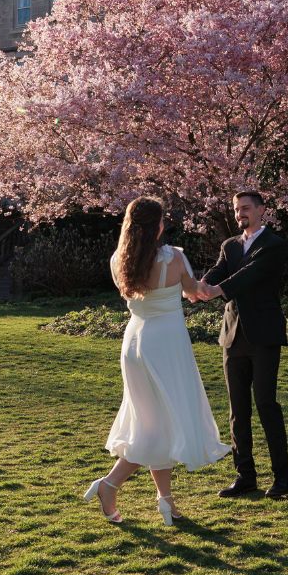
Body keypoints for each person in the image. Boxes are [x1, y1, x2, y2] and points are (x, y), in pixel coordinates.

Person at [83, 196, 231, 526]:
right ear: (159, 225)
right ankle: (109, 484)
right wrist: (219, 286)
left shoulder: (118, 260)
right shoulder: (174, 257)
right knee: (154, 428)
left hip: (135, 343)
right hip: (165, 345)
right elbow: (195, 292)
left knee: (154, 423)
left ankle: (166, 501)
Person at [202, 189, 288, 499]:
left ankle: (283, 478)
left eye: (245, 208)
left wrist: (215, 290)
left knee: (266, 405)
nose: (239, 213)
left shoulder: (274, 245)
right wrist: (198, 285)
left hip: (264, 335)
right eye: (236, 209)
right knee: (237, 410)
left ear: (261, 210)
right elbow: (219, 270)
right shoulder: (230, 245)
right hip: (232, 336)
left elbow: (248, 276)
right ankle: (245, 476)